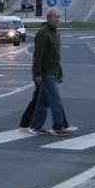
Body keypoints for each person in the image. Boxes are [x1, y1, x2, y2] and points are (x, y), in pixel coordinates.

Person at [29, 8, 71, 136]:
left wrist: (60, 72)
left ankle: (36, 126)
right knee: (55, 101)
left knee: (43, 101)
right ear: (48, 18)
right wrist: (37, 74)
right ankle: (58, 127)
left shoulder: (56, 33)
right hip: (45, 72)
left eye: (58, 17)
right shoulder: (43, 33)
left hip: (53, 71)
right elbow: (38, 55)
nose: (57, 20)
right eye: (55, 18)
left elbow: (56, 55)